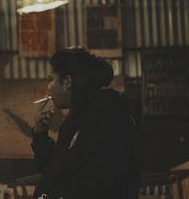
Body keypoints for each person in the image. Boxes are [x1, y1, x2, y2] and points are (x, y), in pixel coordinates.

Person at [31, 47, 141, 199]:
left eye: (51, 79)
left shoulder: (109, 118)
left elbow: (94, 185)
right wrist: (40, 133)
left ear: (67, 81)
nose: (49, 87)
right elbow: (54, 171)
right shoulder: (76, 119)